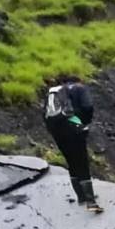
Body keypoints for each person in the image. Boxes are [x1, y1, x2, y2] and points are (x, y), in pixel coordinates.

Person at [44, 75, 103, 213]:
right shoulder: (79, 88)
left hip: (56, 130)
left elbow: (45, 114)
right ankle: (91, 202)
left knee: (71, 161)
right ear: (79, 81)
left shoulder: (54, 92)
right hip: (74, 128)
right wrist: (84, 123)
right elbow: (88, 106)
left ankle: (81, 197)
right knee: (81, 161)